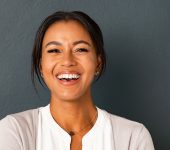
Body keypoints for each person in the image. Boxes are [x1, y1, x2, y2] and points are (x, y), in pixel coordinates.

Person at [0, 11, 154, 150]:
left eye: (81, 49)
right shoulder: (15, 131)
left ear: (98, 63)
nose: (67, 61)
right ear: (41, 66)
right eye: (54, 50)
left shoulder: (133, 137)